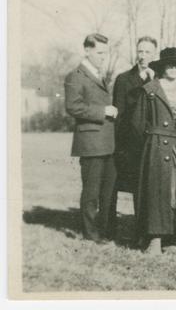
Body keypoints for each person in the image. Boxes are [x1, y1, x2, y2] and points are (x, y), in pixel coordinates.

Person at [131, 47, 176, 254]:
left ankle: (173, 238)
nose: (173, 69)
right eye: (169, 65)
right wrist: (148, 146)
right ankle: (155, 239)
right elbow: (137, 124)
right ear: (161, 67)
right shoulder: (150, 90)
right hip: (156, 146)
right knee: (157, 191)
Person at [64, 33, 118, 243]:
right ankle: (90, 234)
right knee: (92, 192)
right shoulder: (76, 75)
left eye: (106, 52)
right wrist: (103, 110)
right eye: (100, 52)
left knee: (107, 192)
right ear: (87, 50)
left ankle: (103, 232)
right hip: (91, 144)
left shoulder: (97, 73)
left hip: (106, 142)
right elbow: (73, 106)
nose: (104, 57)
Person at [112, 36, 158, 237]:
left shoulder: (160, 79)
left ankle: (154, 231)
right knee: (136, 188)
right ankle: (138, 232)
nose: (143, 56)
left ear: (154, 54)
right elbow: (119, 115)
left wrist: (154, 80)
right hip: (132, 144)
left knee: (154, 189)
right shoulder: (123, 79)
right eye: (140, 51)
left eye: (148, 52)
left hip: (155, 144)